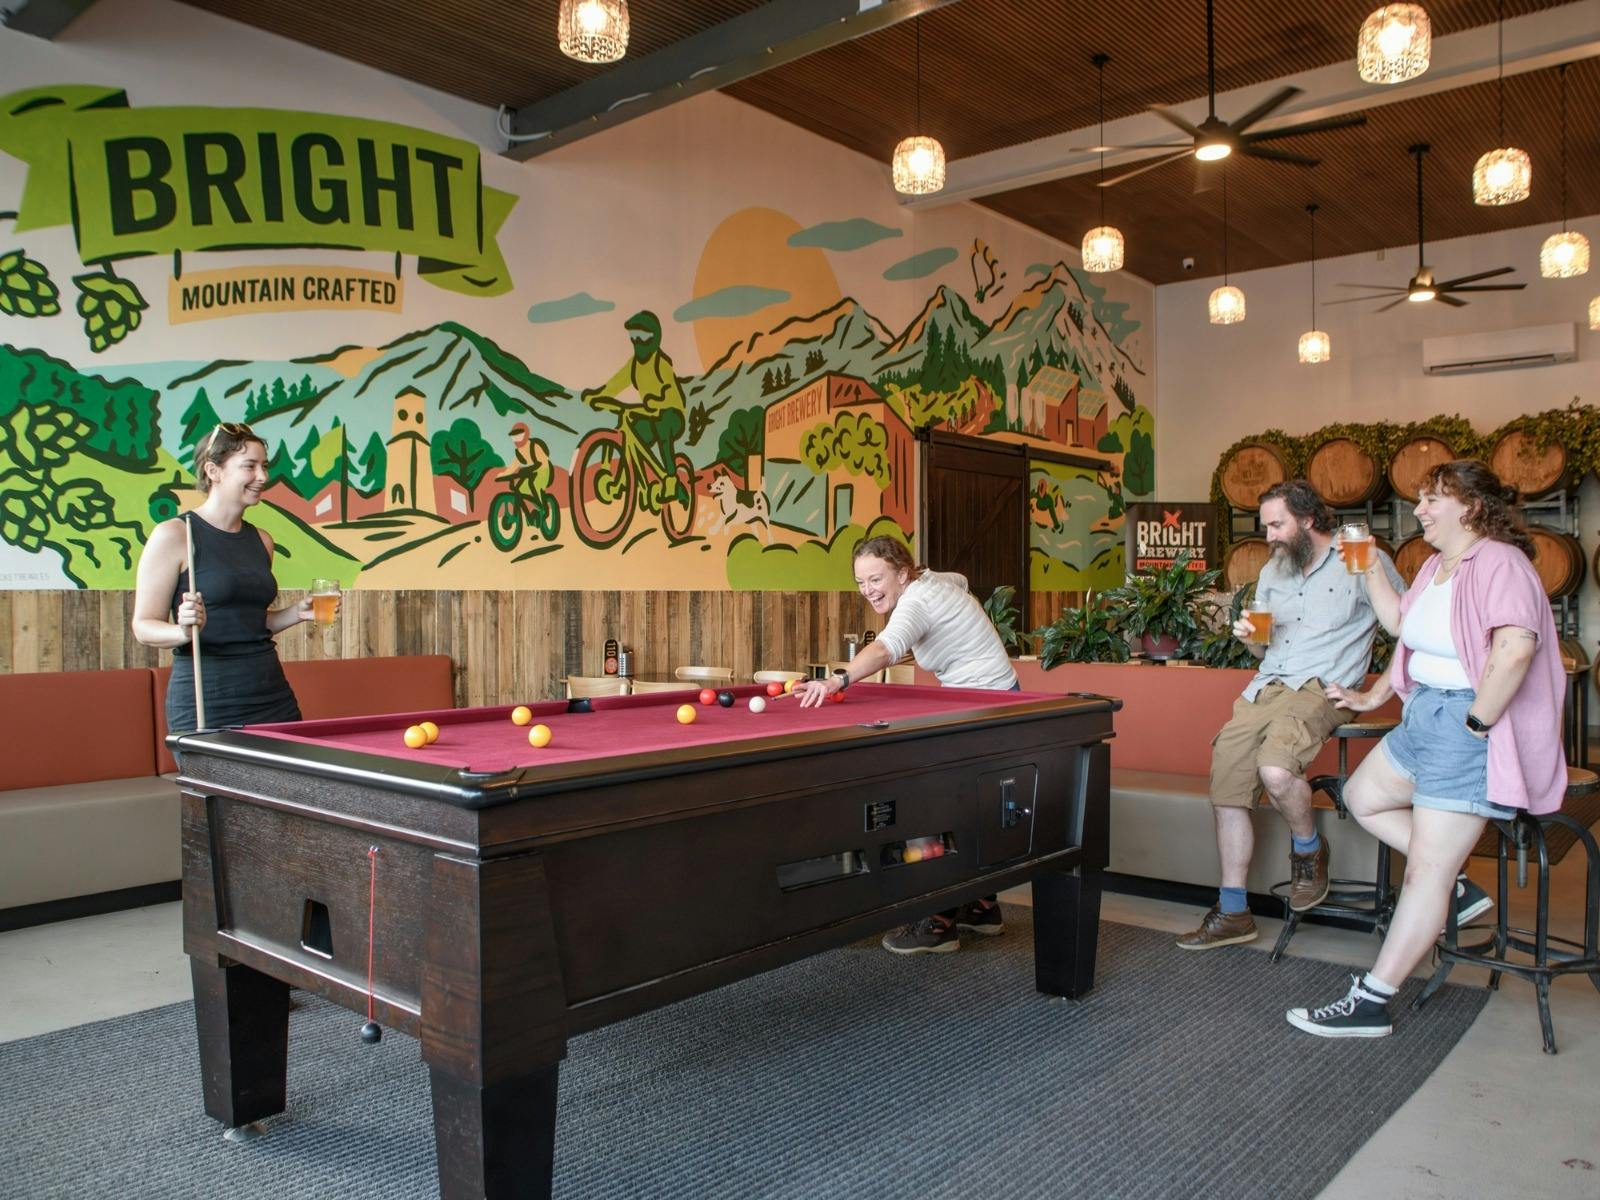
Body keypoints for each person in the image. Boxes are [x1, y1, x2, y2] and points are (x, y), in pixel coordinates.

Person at [1286, 461, 1565, 1037]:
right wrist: (1364, 569)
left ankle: (1372, 999)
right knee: (1363, 797)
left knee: (1422, 877)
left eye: (1432, 499)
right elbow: (1401, 624)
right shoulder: (1440, 563)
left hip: (1465, 719)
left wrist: (1476, 724)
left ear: (1470, 506)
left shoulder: (1502, 564)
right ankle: (1456, 886)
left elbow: (1515, 650)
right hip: (1425, 715)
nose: (1419, 510)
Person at [1177, 480, 1404, 950]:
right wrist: (1247, 637)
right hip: (1266, 686)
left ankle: (1308, 850)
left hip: (1322, 688)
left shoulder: (1361, 559)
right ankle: (1234, 910)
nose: (1270, 536)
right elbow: (1264, 642)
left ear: (1307, 520)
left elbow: (1407, 624)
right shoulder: (1273, 573)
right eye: (1266, 527)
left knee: (1276, 771)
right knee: (1228, 789)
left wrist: (1378, 692)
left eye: (1277, 525)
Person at [797, 536, 1018, 955]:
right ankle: (981, 907)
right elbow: (961, 578)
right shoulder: (933, 581)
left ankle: (939, 922)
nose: (868, 590)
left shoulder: (918, 600)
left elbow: (886, 648)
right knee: (967, 803)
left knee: (935, 802)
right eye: (860, 581)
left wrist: (837, 680)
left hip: (983, 707)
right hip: (995, 701)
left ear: (902, 573)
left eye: (876, 578)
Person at [132, 422, 326, 733]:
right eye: (250, 466)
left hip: (270, 693)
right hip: (206, 697)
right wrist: (182, 632)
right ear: (213, 471)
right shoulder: (175, 534)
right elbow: (143, 626)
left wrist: (297, 613)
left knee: (292, 782)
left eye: (264, 466)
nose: (262, 477)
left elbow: (246, 623)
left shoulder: (262, 540)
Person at [580, 309, 687, 509]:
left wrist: (658, 401)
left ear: (654, 338)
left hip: (672, 414)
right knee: (634, 437)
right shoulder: (634, 365)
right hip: (650, 413)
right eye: (633, 337)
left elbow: (669, 389)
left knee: (663, 430)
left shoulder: (660, 362)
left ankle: (671, 480)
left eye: (643, 336)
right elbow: (615, 384)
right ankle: (636, 484)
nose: (637, 341)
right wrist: (597, 396)